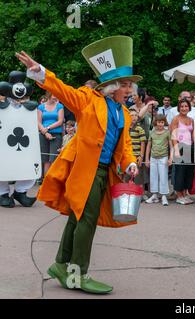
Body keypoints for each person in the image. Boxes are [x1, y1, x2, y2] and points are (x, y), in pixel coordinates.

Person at [16, 35, 139, 294]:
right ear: (114, 85)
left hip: (105, 173)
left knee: (78, 217)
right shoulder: (88, 100)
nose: (130, 90)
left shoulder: (124, 113)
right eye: (127, 85)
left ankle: (62, 265)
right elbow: (63, 90)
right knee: (86, 221)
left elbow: (124, 144)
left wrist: (130, 163)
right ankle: (78, 273)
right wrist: (40, 73)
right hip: (86, 172)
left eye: (130, 85)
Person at [0, 71, 39, 208]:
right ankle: (2, 194)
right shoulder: (1, 106)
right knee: (2, 167)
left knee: (31, 167)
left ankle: (20, 192)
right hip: (4, 145)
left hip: (25, 146)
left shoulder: (29, 108)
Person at [170, 98, 195, 205]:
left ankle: (185, 194)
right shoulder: (176, 119)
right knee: (179, 172)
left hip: (190, 148)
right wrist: (176, 150)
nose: (184, 108)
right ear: (178, 108)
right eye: (182, 106)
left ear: (189, 107)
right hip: (179, 147)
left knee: (188, 172)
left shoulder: (191, 120)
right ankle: (179, 195)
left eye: (186, 106)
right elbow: (173, 135)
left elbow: (193, 135)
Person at [145, 114, 172, 206]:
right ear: (155, 122)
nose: (160, 124)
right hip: (153, 157)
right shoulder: (152, 133)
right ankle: (154, 195)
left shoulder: (167, 132)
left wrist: (170, 158)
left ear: (164, 122)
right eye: (158, 122)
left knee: (163, 176)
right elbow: (148, 146)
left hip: (163, 157)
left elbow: (171, 146)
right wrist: (147, 158)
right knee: (153, 176)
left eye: (162, 122)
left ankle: (164, 195)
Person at [37, 91, 64, 177]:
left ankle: (52, 182)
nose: (56, 97)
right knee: (45, 160)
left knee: (54, 159)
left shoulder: (59, 106)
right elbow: (38, 122)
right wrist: (45, 133)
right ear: (49, 95)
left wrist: (48, 129)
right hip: (43, 135)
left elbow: (60, 121)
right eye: (54, 95)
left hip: (56, 135)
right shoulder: (41, 107)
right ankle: (45, 182)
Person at [127, 109, 146, 187]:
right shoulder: (125, 128)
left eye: (135, 115)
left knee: (138, 178)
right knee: (127, 177)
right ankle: (129, 194)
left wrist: (141, 156)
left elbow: (143, 142)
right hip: (128, 156)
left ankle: (140, 195)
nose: (134, 117)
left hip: (137, 156)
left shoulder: (139, 129)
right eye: (132, 115)